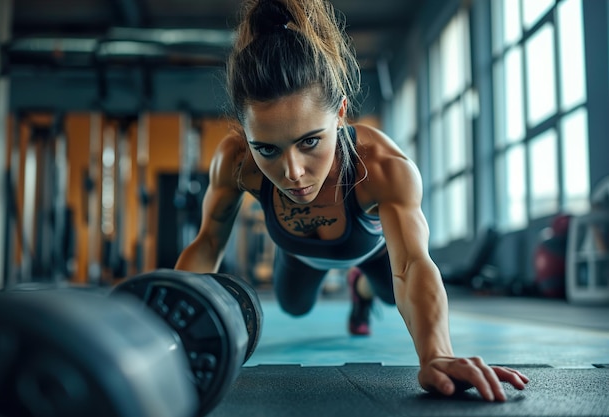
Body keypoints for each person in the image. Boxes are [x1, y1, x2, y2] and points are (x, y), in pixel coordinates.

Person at [175, 0, 529, 401]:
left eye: (310, 141)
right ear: (245, 133)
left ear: (340, 114)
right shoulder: (236, 161)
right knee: (293, 308)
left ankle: (359, 289)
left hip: (372, 252)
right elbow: (207, 244)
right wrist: (170, 329)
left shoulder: (383, 167)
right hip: (297, 254)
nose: (292, 172)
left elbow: (412, 263)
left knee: (385, 292)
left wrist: (436, 355)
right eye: (268, 149)